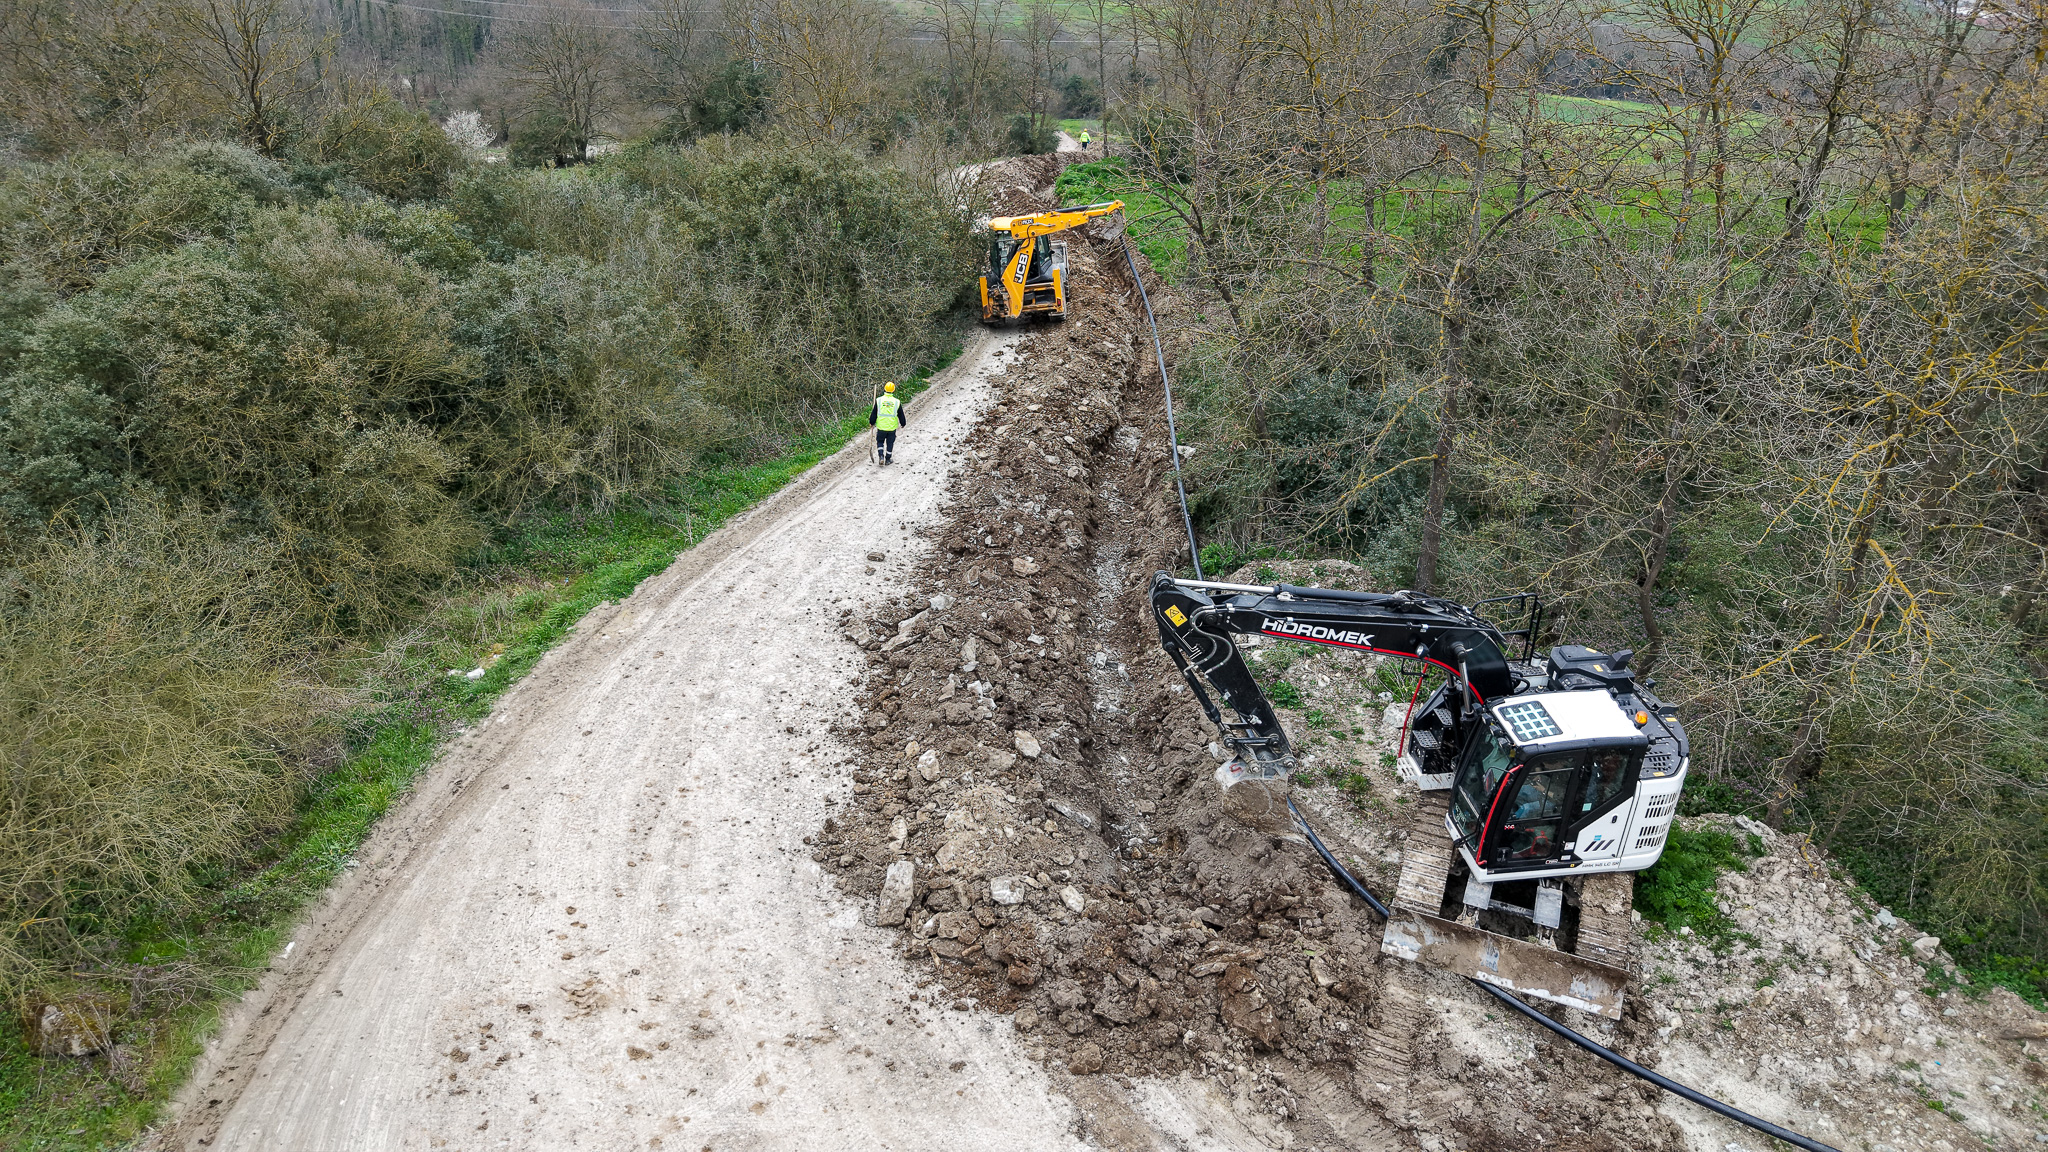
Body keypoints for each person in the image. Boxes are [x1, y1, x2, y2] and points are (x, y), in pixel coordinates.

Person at [869, 382, 905, 465]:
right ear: (893, 390)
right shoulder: (897, 402)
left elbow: (874, 413)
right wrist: (903, 423)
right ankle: (888, 459)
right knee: (890, 443)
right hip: (892, 427)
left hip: (881, 427)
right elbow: (901, 414)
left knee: (880, 441)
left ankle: (881, 456)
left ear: (884, 389)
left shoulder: (879, 400)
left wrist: (872, 422)